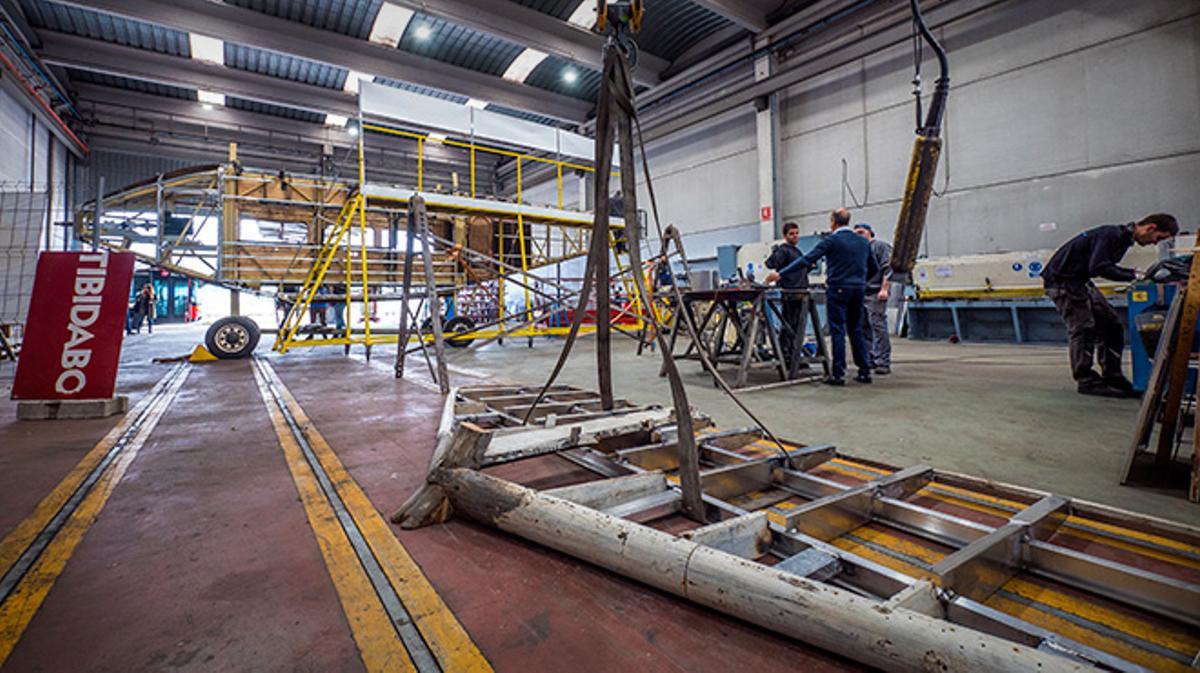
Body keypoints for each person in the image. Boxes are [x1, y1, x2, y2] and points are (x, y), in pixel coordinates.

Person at [1042, 213, 1178, 397]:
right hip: (1062, 282)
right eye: (1158, 238)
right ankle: (1086, 380)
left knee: (1111, 325)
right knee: (1083, 328)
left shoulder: (1122, 240)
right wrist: (1135, 275)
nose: (1155, 243)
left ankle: (1112, 376)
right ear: (1150, 228)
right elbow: (1098, 267)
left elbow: (1095, 266)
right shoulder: (1111, 235)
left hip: (1080, 281)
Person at [767, 208, 877, 386]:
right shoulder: (863, 242)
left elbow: (807, 260)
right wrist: (859, 281)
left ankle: (838, 374)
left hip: (838, 289)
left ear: (833, 221)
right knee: (856, 329)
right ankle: (864, 371)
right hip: (858, 290)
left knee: (838, 330)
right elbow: (874, 268)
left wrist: (780, 274)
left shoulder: (832, 240)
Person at [765, 222, 809, 368]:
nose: (795, 236)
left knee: (797, 326)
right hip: (790, 292)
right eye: (791, 234)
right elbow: (770, 264)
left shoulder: (797, 252)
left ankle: (794, 355)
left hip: (800, 291)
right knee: (788, 325)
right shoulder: (784, 250)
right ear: (785, 236)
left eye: (797, 233)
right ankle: (785, 357)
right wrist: (775, 253)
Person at [854, 224, 893, 375]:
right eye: (855, 233)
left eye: (861, 232)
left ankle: (883, 361)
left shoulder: (880, 247)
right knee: (864, 327)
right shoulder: (858, 250)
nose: (858, 235)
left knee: (878, 326)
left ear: (870, 232)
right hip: (861, 293)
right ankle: (870, 358)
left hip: (875, 293)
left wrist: (885, 289)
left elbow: (888, 269)